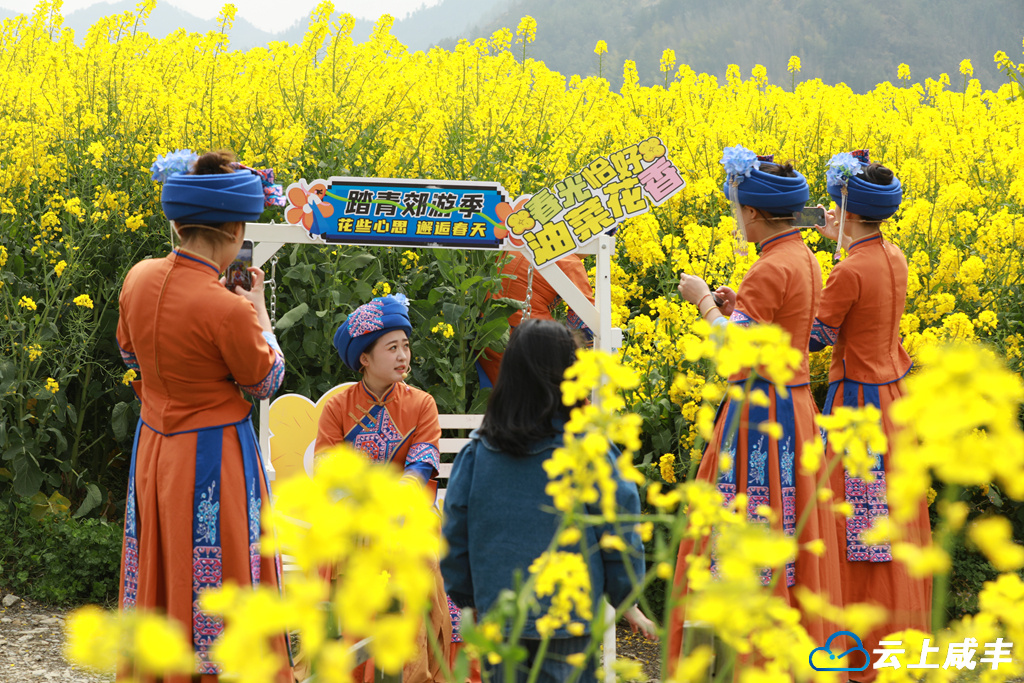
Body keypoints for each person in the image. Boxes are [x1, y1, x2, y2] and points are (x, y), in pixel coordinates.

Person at [116, 150, 291, 682]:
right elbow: (266, 380)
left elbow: (130, 356)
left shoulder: (139, 278)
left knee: (160, 560)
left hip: (154, 448)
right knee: (224, 568)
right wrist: (258, 310)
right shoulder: (229, 307)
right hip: (214, 458)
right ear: (235, 230)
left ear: (177, 222)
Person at [667, 147, 845, 662]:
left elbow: (734, 352)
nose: (735, 216)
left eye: (736, 206)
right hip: (796, 407)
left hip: (759, 415)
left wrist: (702, 301)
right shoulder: (805, 258)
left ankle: (742, 649)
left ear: (752, 212)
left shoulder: (768, 269)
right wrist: (733, 307)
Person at [441, 318, 655, 683]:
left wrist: (468, 600)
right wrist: (626, 598)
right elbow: (618, 527)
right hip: (569, 620)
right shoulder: (589, 450)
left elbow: (455, 533)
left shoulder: (477, 452)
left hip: (501, 616)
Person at [811, 150, 931, 682]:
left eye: (836, 207)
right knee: (887, 524)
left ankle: (857, 648)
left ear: (850, 211)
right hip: (892, 398)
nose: (830, 216)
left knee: (856, 528)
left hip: (857, 407)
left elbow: (815, 336)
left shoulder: (849, 268)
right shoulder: (894, 256)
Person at [315, 293, 452, 683]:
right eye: (392, 347)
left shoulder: (422, 404)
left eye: (406, 346)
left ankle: (411, 668)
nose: (403, 356)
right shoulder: (337, 407)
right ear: (365, 358)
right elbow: (328, 468)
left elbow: (423, 462)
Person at [476, 252, 595, 387]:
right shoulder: (569, 261)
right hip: (535, 342)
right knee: (569, 398)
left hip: (487, 334)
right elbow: (586, 322)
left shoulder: (518, 243)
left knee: (507, 398)